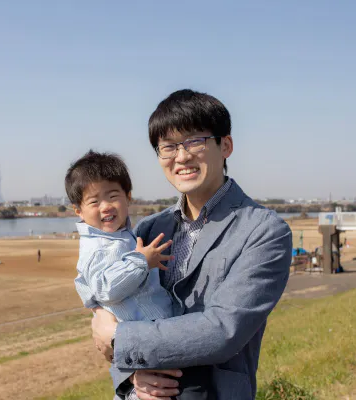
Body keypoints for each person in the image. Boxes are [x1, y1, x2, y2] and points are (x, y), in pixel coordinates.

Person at [92, 89, 292, 400]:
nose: (182, 157)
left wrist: (121, 339)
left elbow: (223, 330)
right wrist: (131, 375)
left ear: (225, 145)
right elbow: (114, 308)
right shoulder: (149, 229)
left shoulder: (264, 230)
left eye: (195, 141)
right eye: (168, 146)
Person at [65, 150, 214, 400]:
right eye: (94, 201)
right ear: (78, 210)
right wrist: (141, 262)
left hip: (152, 337)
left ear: (128, 197)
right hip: (142, 342)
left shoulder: (123, 236)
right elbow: (104, 289)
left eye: (113, 196)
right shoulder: (98, 247)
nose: (106, 206)